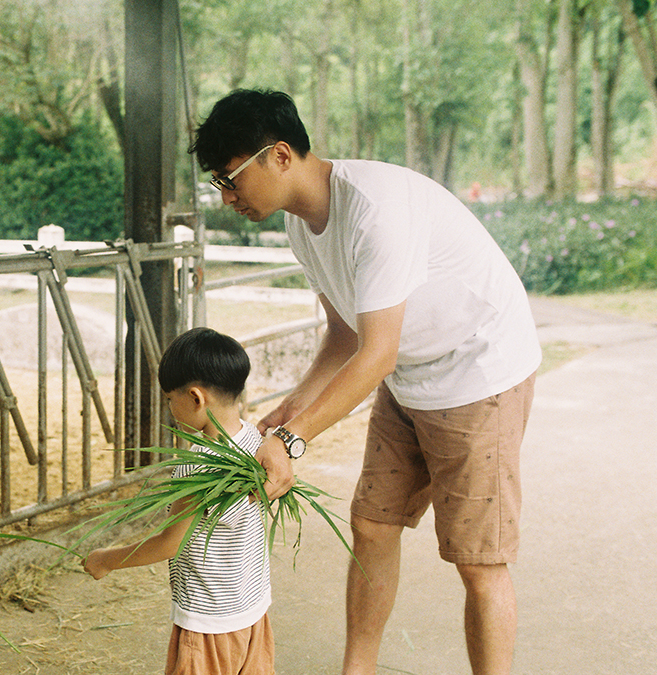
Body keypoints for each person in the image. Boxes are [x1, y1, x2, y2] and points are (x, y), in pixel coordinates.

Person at [189, 88, 540, 675]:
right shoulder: (305, 224)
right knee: (373, 523)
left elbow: (375, 355)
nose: (227, 198)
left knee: (478, 561)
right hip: (408, 375)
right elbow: (346, 335)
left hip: (479, 373)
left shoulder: (376, 210)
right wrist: (294, 403)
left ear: (279, 155)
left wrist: (294, 439)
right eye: (218, 186)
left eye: (230, 179)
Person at [82, 327, 276, 675]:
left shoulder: (199, 464)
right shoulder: (257, 444)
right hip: (252, 608)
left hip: (209, 621)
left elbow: (170, 543)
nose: (170, 406)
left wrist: (107, 559)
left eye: (171, 398)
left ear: (196, 397)